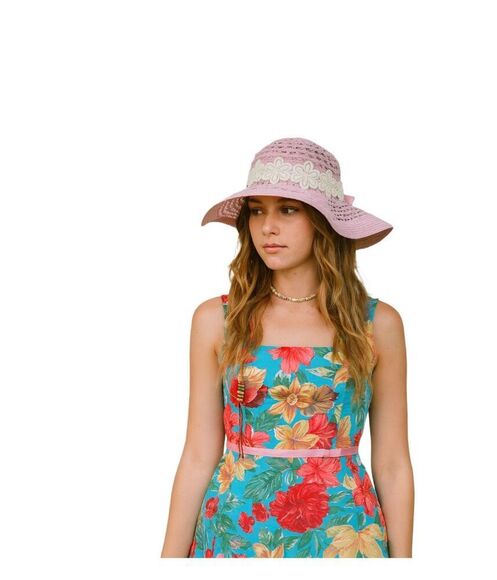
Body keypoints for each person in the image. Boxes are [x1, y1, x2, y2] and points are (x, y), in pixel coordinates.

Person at [160, 137, 414, 558]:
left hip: (344, 538)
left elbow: (392, 462)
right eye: (257, 210)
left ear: (324, 221)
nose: (267, 227)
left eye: (288, 210)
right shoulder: (218, 320)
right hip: (235, 536)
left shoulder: (376, 324)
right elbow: (199, 454)